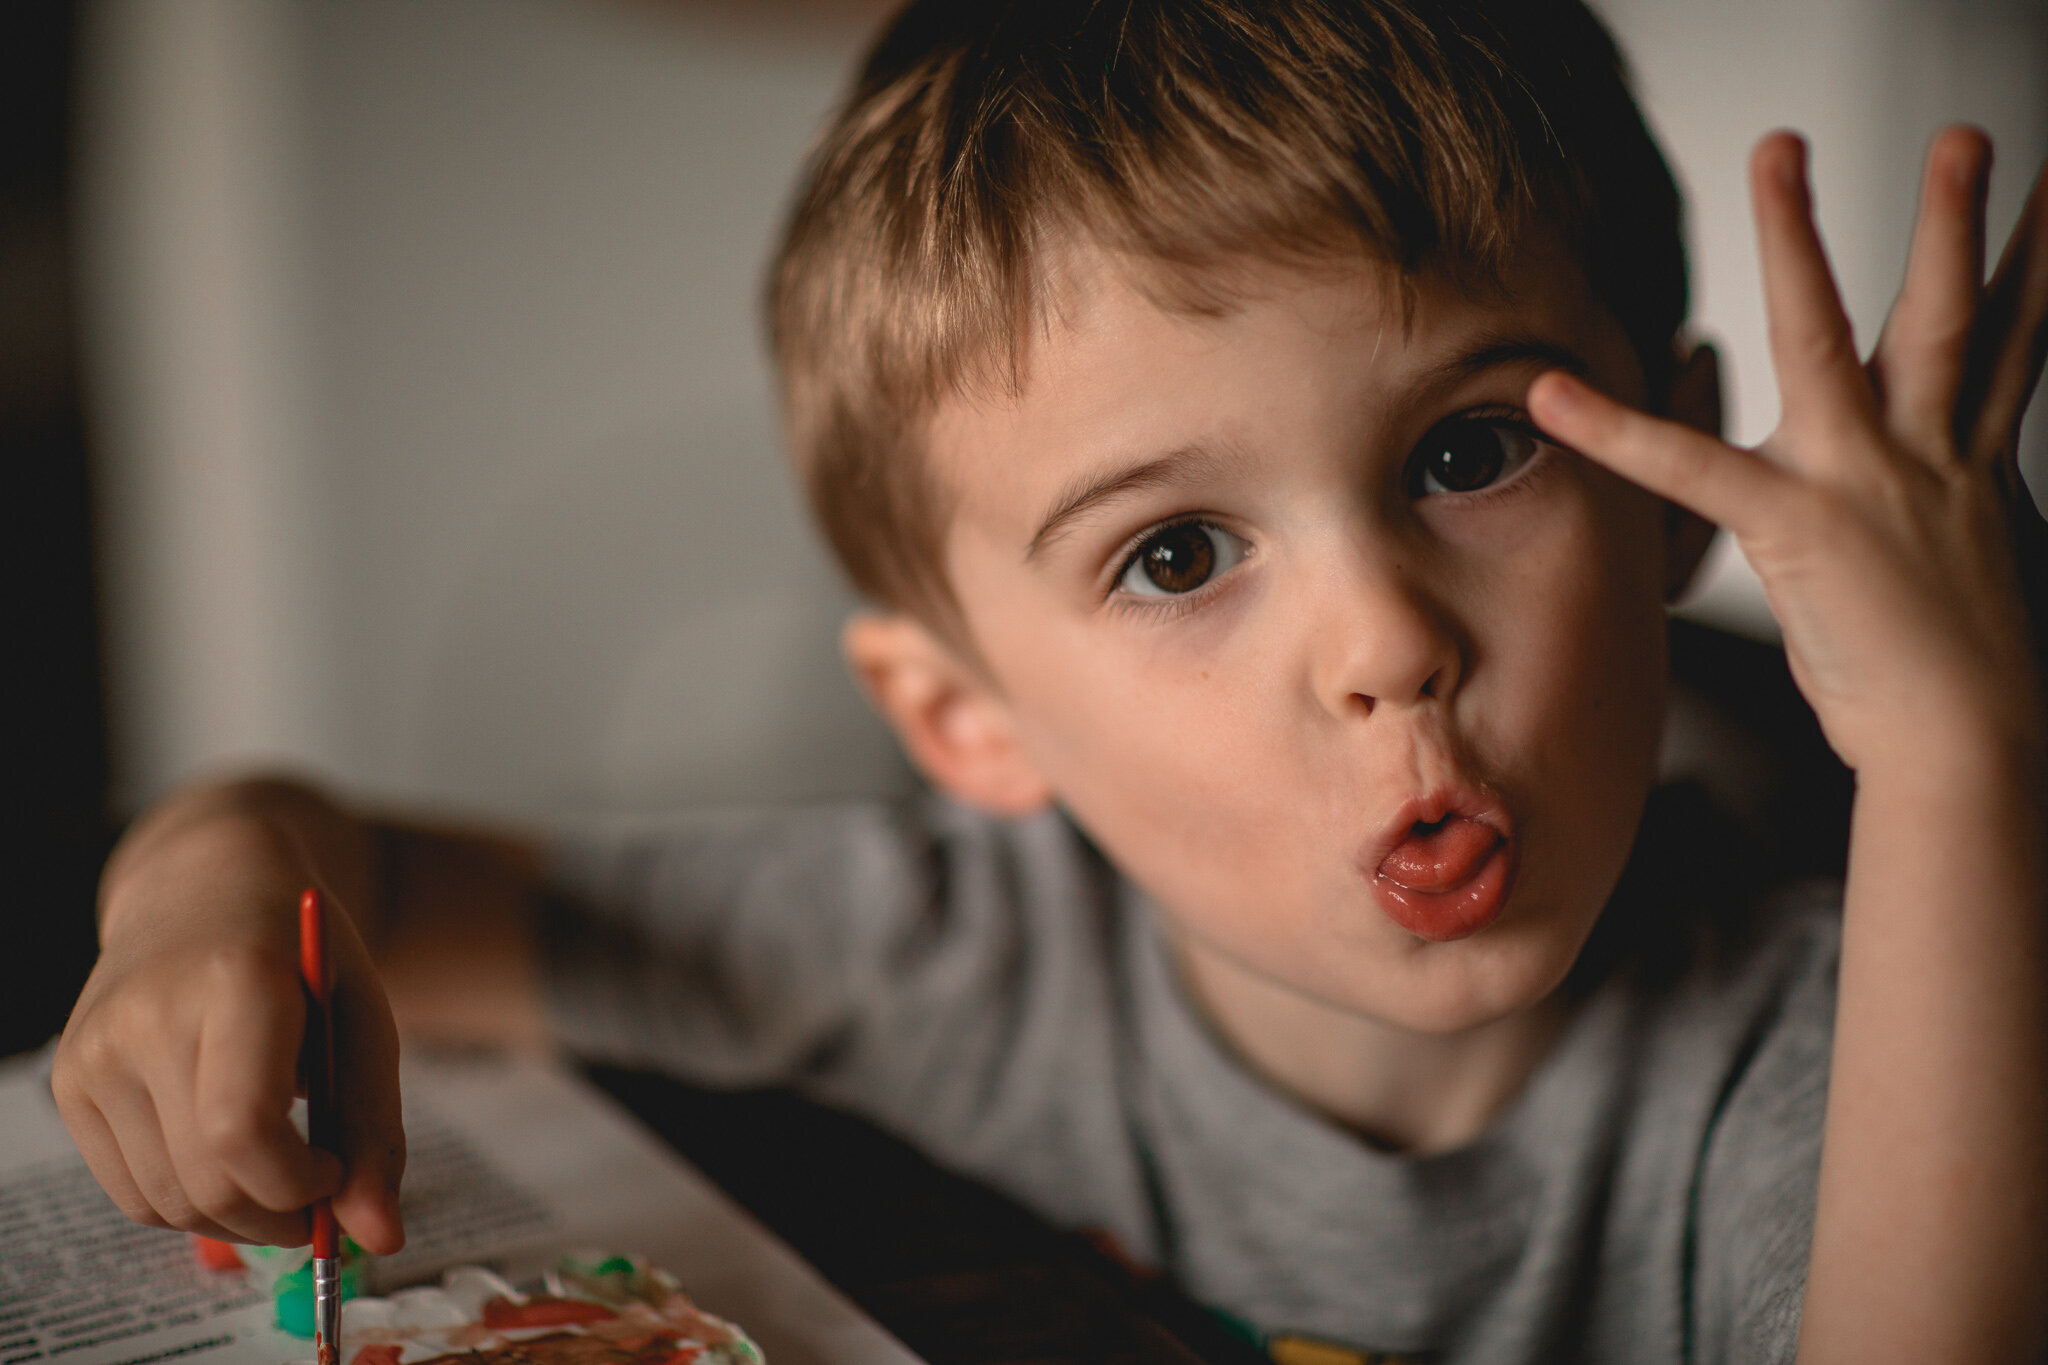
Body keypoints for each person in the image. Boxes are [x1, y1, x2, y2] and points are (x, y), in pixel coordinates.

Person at [52, 1, 2048, 1360]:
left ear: (1679, 486)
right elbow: (367, 892)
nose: (1384, 645)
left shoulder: (1834, 1053)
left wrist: (1953, 767)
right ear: (961, 719)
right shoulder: (974, 958)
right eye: (1174, 552)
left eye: (1466, 451)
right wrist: (201, 892)